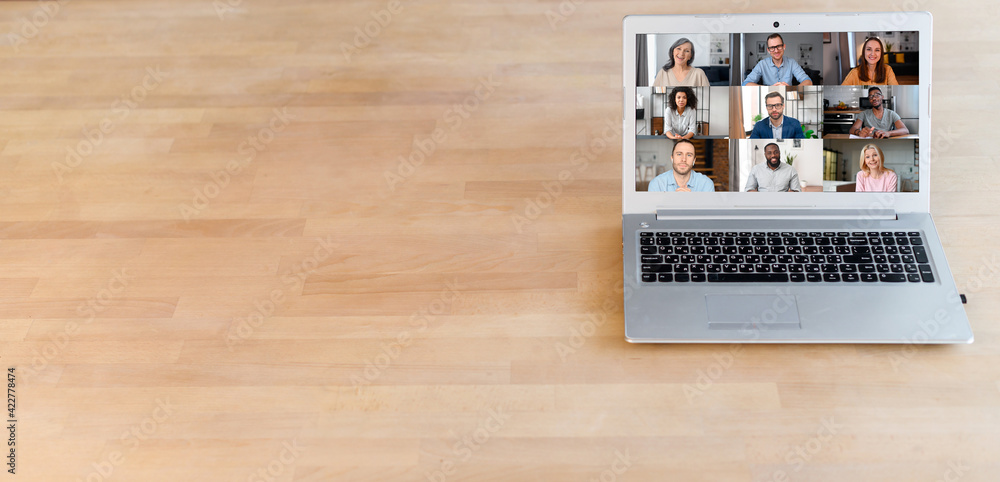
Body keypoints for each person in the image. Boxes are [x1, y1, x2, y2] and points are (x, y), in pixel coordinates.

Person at [742, 34, 813, 86]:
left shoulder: (792, 62)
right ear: (768, 50)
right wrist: (770, 89)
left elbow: (808, 82)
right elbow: (746, 84)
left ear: (784, 47)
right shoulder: (762, 64)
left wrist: (791, 90)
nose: (776, 51)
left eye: (779, 46)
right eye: (772, 47)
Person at [648, 139, 715, 192]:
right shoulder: (657, 184)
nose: (683, 159)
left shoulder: (706, 184)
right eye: (679, 154)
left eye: (689, 155)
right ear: (672, 158)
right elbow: (652, 209)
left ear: (694, 160)